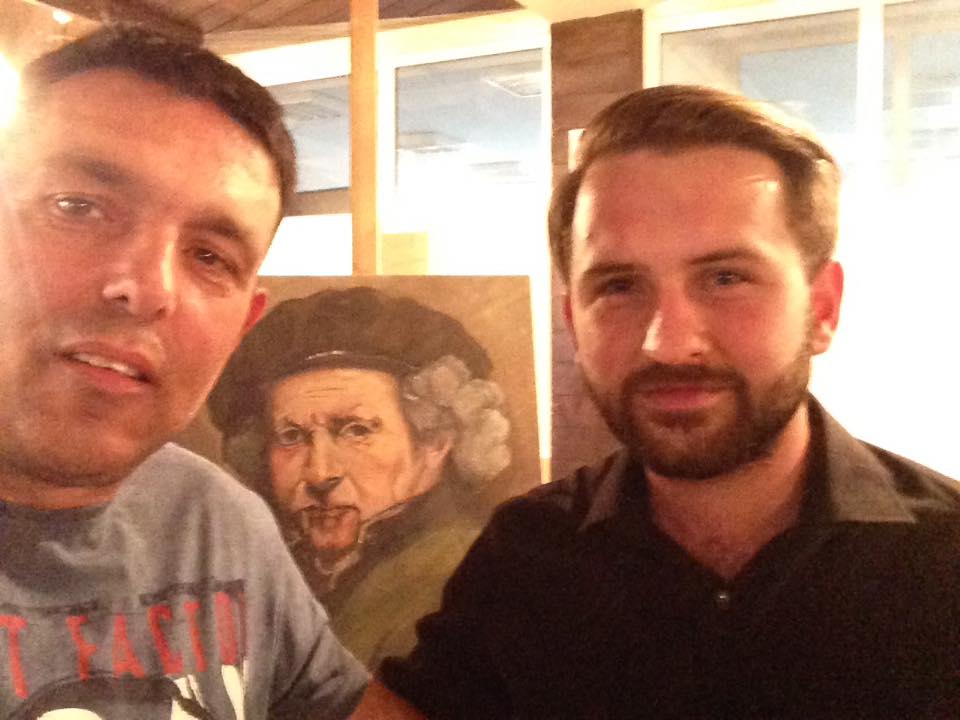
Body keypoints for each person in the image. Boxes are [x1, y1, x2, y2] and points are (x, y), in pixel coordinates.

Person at [377, 84, 960, 718]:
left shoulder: (943, 558)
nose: (668, 342)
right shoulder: (524, 556)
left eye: (726, 278)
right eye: (619, 286)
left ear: (822, 308)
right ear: (574, 322)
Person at [0, 26, 419, 720]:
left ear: (241, 326)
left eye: (209, 257)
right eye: (77, 207)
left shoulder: (214, 520)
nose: (147, 287)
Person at [206, 286, 513, 666]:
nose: (320, 473)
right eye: (291, 437)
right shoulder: (270, 572)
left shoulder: (464, 576)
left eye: (356, 430)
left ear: (435, 441)